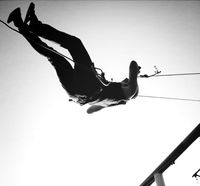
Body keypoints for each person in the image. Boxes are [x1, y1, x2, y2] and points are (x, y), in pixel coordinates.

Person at [7, 3, 140, 113]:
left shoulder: (129, 94)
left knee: (75, 44)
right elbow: (90, 111)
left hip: (87, 86)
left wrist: (136, 75)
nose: (126, 79)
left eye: (127, 81)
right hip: (75, 93)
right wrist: (103, 88)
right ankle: (20, 23)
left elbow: (133, 65)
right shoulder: (111, 101)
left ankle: (35, 26)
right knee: (54, 56)